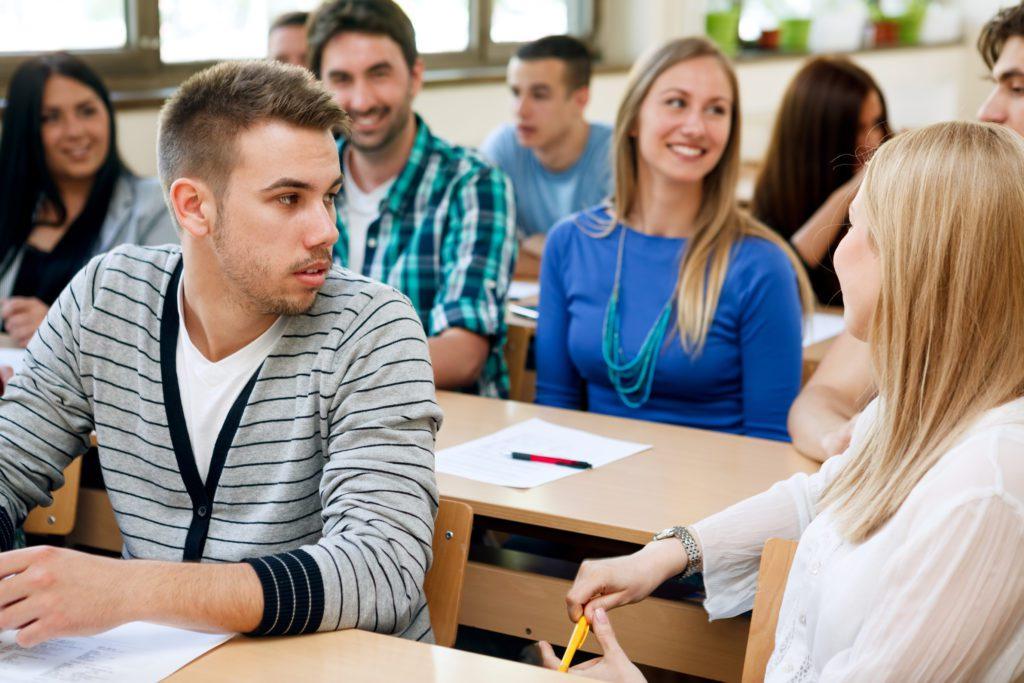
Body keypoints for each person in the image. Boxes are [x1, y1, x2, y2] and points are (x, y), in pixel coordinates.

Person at [543, 121, 1024, 681]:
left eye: (855, 227)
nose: (838, 252)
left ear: (915, 260)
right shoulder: (912, 411)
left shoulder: (986, 490)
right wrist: (665, 555)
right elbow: (824, 494)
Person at [0, 60, 440, 646]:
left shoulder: (373, 326)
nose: (325, 230)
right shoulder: (106, 298)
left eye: (329, 196)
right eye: (288, 199)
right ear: (193, 207)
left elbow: (383, 570)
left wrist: (127, 591)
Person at [535, 37, 812, 441]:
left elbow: (770, 440)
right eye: (677, 103)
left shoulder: (761, 265)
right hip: (585, 493)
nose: (696, 127)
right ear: (633, 119)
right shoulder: (570, 244)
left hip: (715, 497)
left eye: (716, 110)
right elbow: (554, 408)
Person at [788, 1, 1024, 461]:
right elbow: (823, 398)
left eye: (1017, 88)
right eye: (994, 85)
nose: (988, 110)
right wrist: (842, 443)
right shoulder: (958, 234)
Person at [308, 0, 516, 398]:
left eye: (379, 74)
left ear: (415, 76)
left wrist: (332, 373)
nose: (362, 99)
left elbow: (463, 354)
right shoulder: (300, 185)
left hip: (447, 426)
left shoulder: (472, 184)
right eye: (342, 79)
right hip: (327, 429)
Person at [0, 52, 175, 348]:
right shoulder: (11, 209)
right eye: (50, 117)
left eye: (86, 111)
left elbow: (169, 324)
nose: (75, 131)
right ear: (25, 130)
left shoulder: (158, 206)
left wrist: (59, 328)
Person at [751, 56, 891, 306]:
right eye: (858, 128)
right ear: (818, 136)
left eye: (877, 123)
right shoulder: (778, 190)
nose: (873, 141)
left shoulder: (887, 189)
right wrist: (847, 193)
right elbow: (786, 273)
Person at [481, 35, 612, 278]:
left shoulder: (616, 155)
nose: (520, 110)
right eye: (516, 92)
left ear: (580, 100)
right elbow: (484, 252)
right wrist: (574, 256)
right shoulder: (504, 146)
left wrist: (549, 246)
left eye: (539, 95)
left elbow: (617, 263)